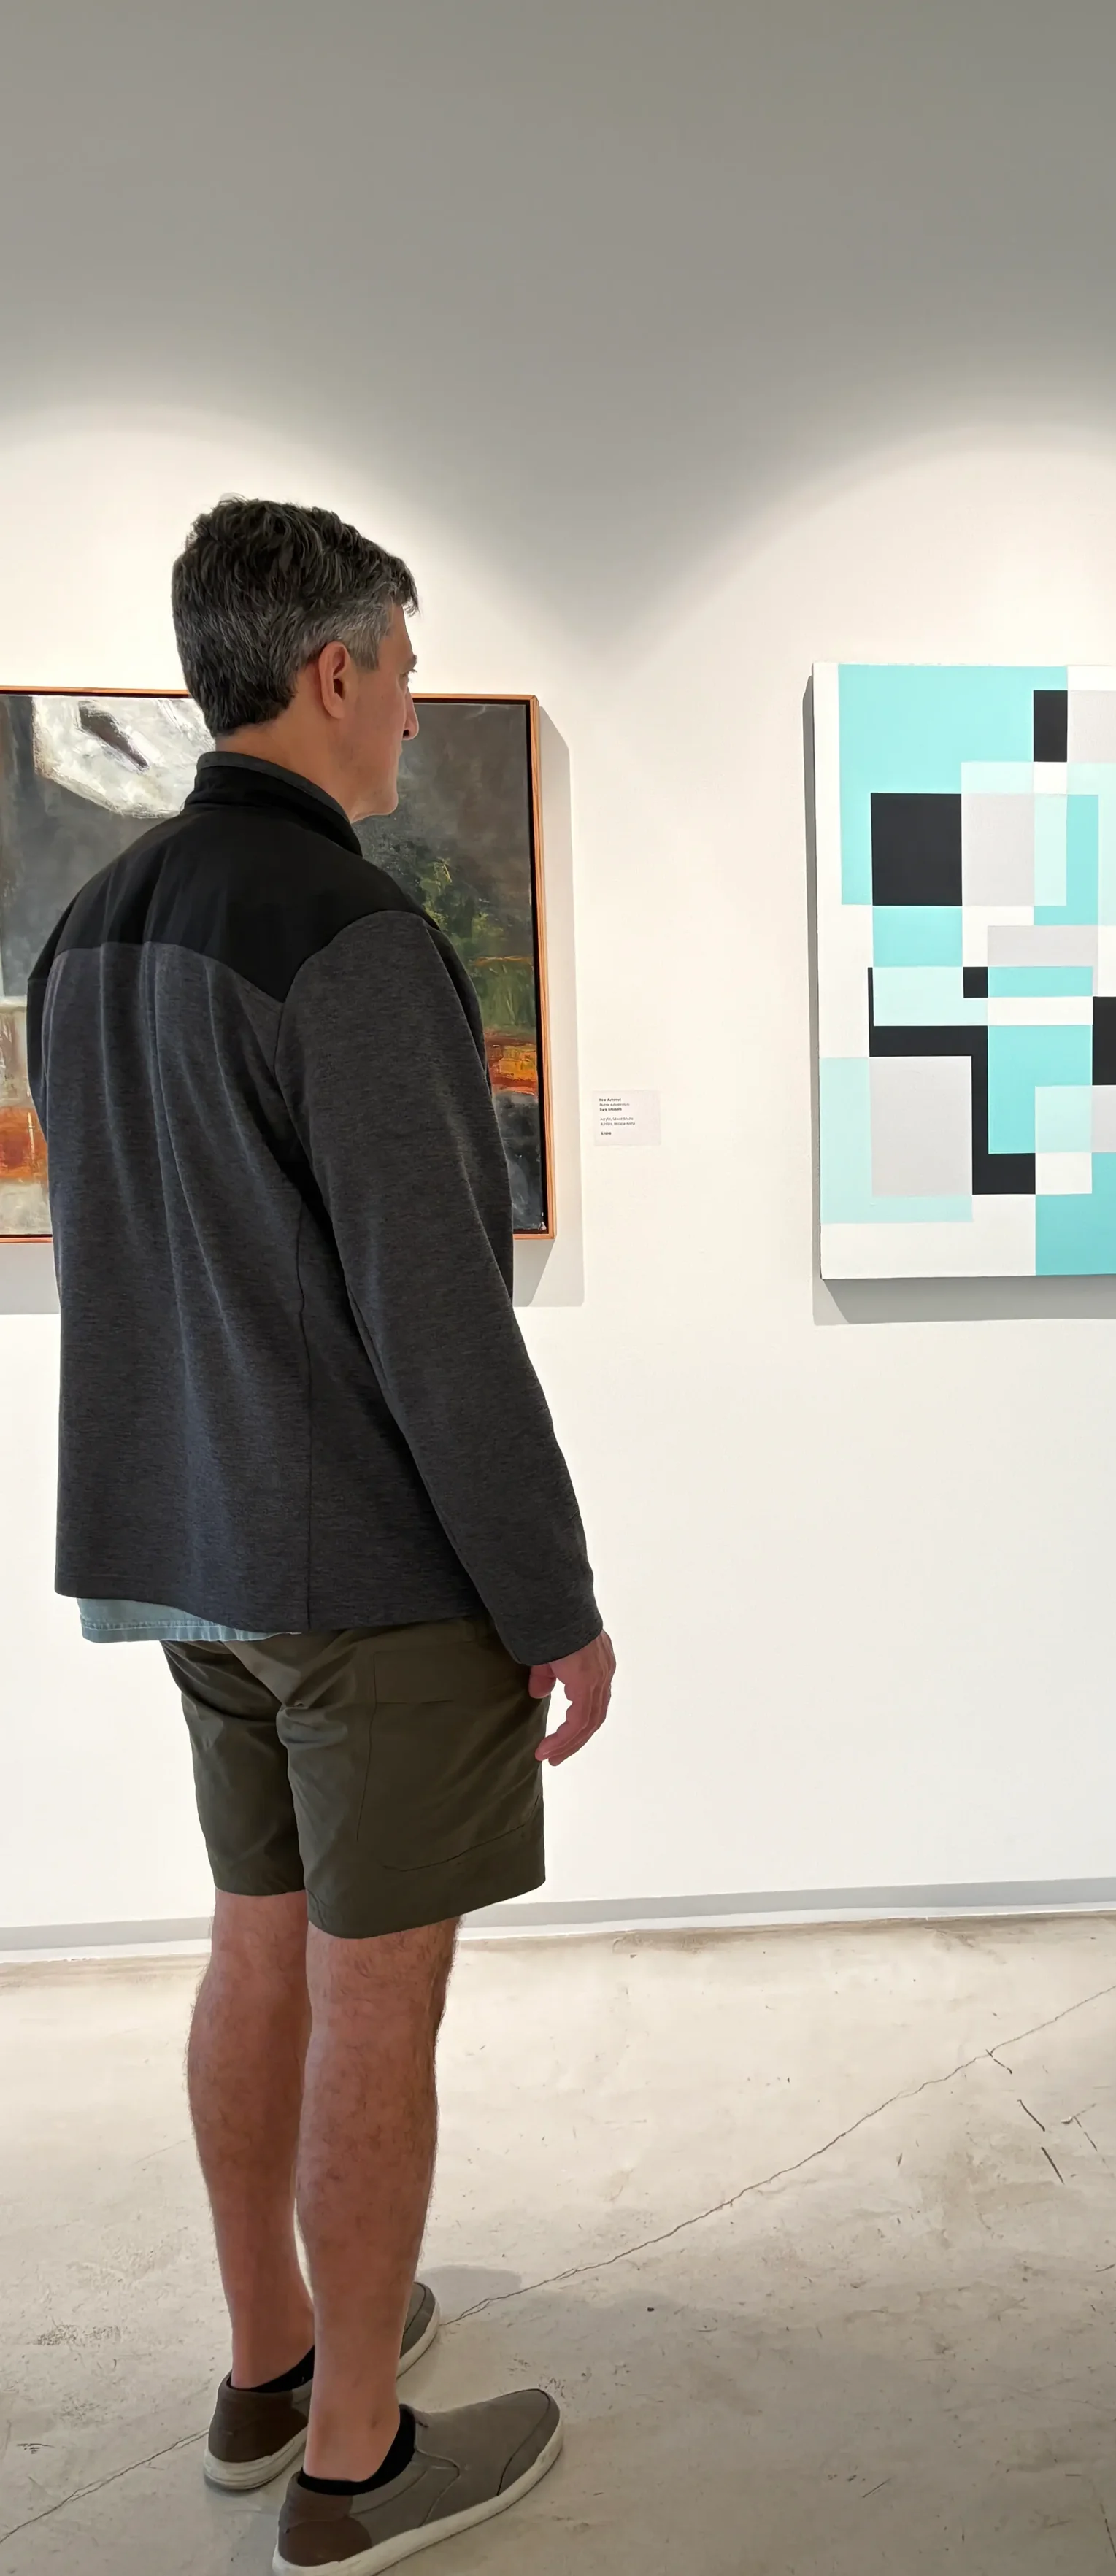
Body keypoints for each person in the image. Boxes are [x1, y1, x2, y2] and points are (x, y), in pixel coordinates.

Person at [26, 497, 615, 2573]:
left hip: (184, 1552)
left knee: (251, 1948)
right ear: (341, 668)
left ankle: (271, 2354)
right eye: (404, 666)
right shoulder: (352, 937)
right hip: (361, 1573)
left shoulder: (89, 934)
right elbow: (435, 1313)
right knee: (378, 2002)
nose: (408, 709)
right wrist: (552, 1604)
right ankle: (358, 2456)